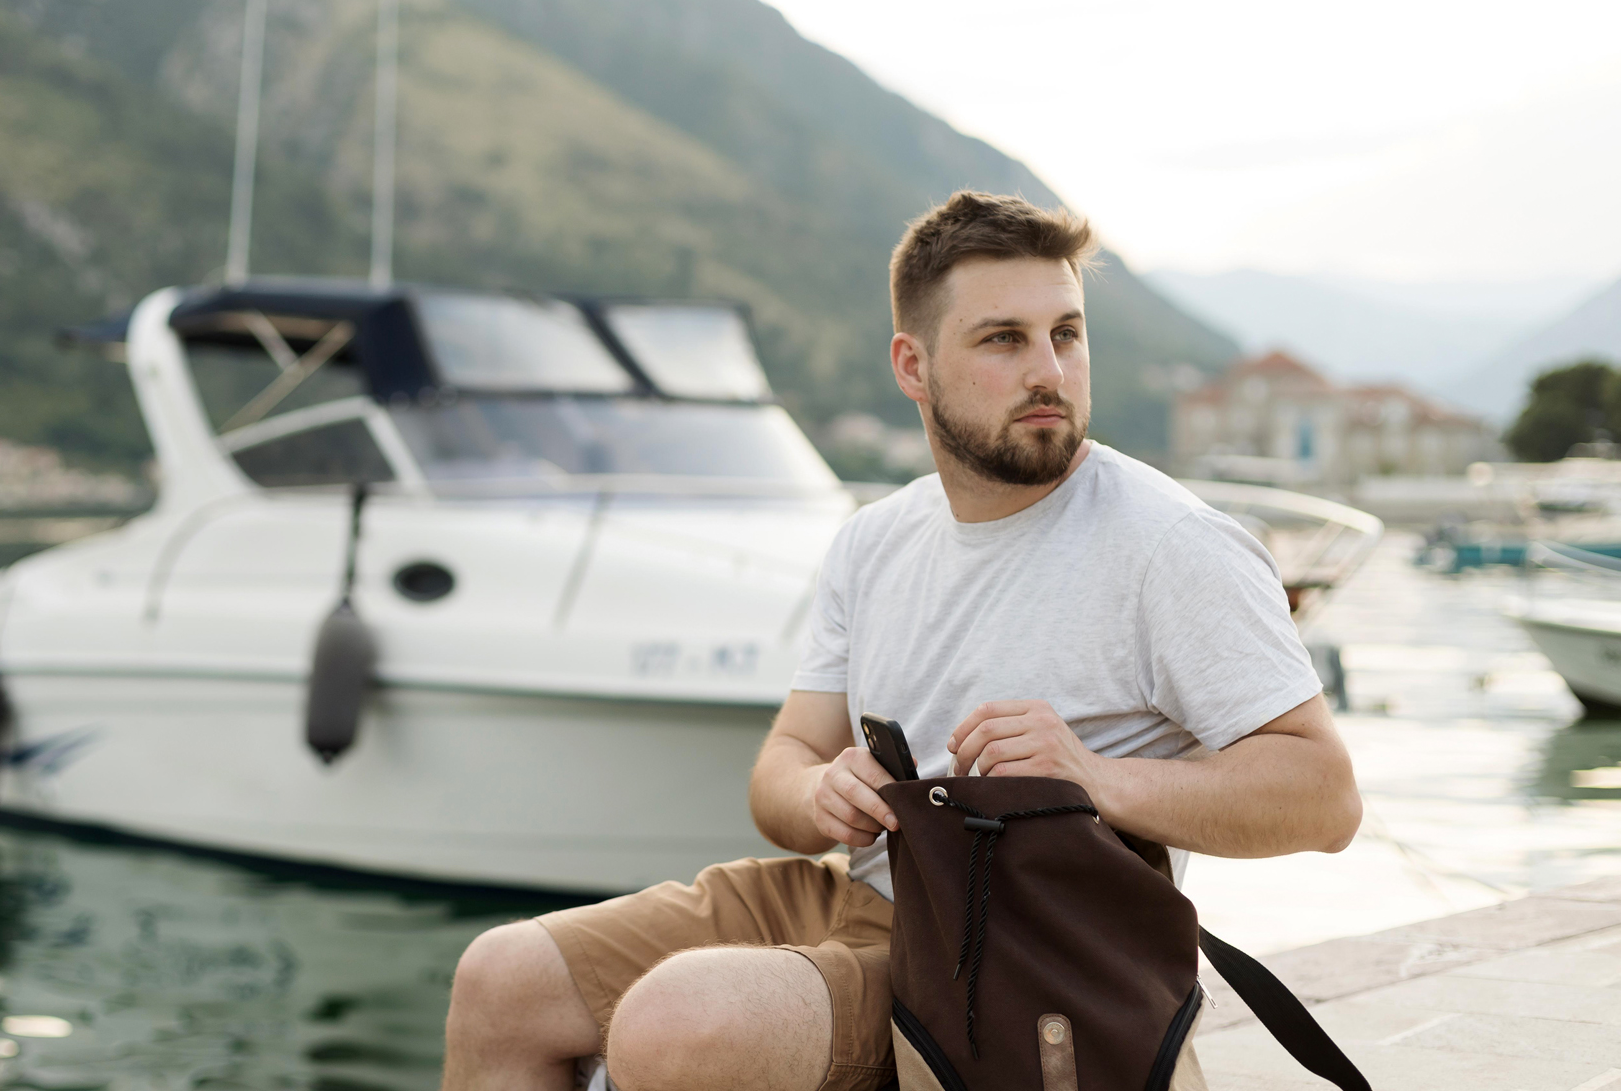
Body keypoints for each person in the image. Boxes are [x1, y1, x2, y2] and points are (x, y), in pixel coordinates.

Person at [439, 191, 1364, 1091]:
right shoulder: (873, 541)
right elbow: (782, 767)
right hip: (860, 898)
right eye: (1004, 339)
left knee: (680, 1023)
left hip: (1022, 957)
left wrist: (1095, 778)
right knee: (501, 978)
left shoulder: (1171, 545)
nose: (1049, 370)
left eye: (1066, 333)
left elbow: (1326, 800)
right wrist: (819, 792)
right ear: (912, 366)